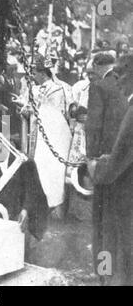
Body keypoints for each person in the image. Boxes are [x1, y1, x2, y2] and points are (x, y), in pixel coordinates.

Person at [87, 54, 133, 285]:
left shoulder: (99, 88)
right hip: (121, 173)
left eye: (121, 77)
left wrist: (93, 163)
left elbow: (93, 126)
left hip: (116, 181)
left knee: (107, 234)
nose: (118, 82)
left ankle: (106, 277)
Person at [26, 54, 72, 214]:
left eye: (34, 72)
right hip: (37, 133)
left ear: (43, 73)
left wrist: (33, 109)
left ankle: (55, 205)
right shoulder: (33, 88)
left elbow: (56, 112)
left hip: (54, 135)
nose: (32, 76)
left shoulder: (57, 88)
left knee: (53, 168)